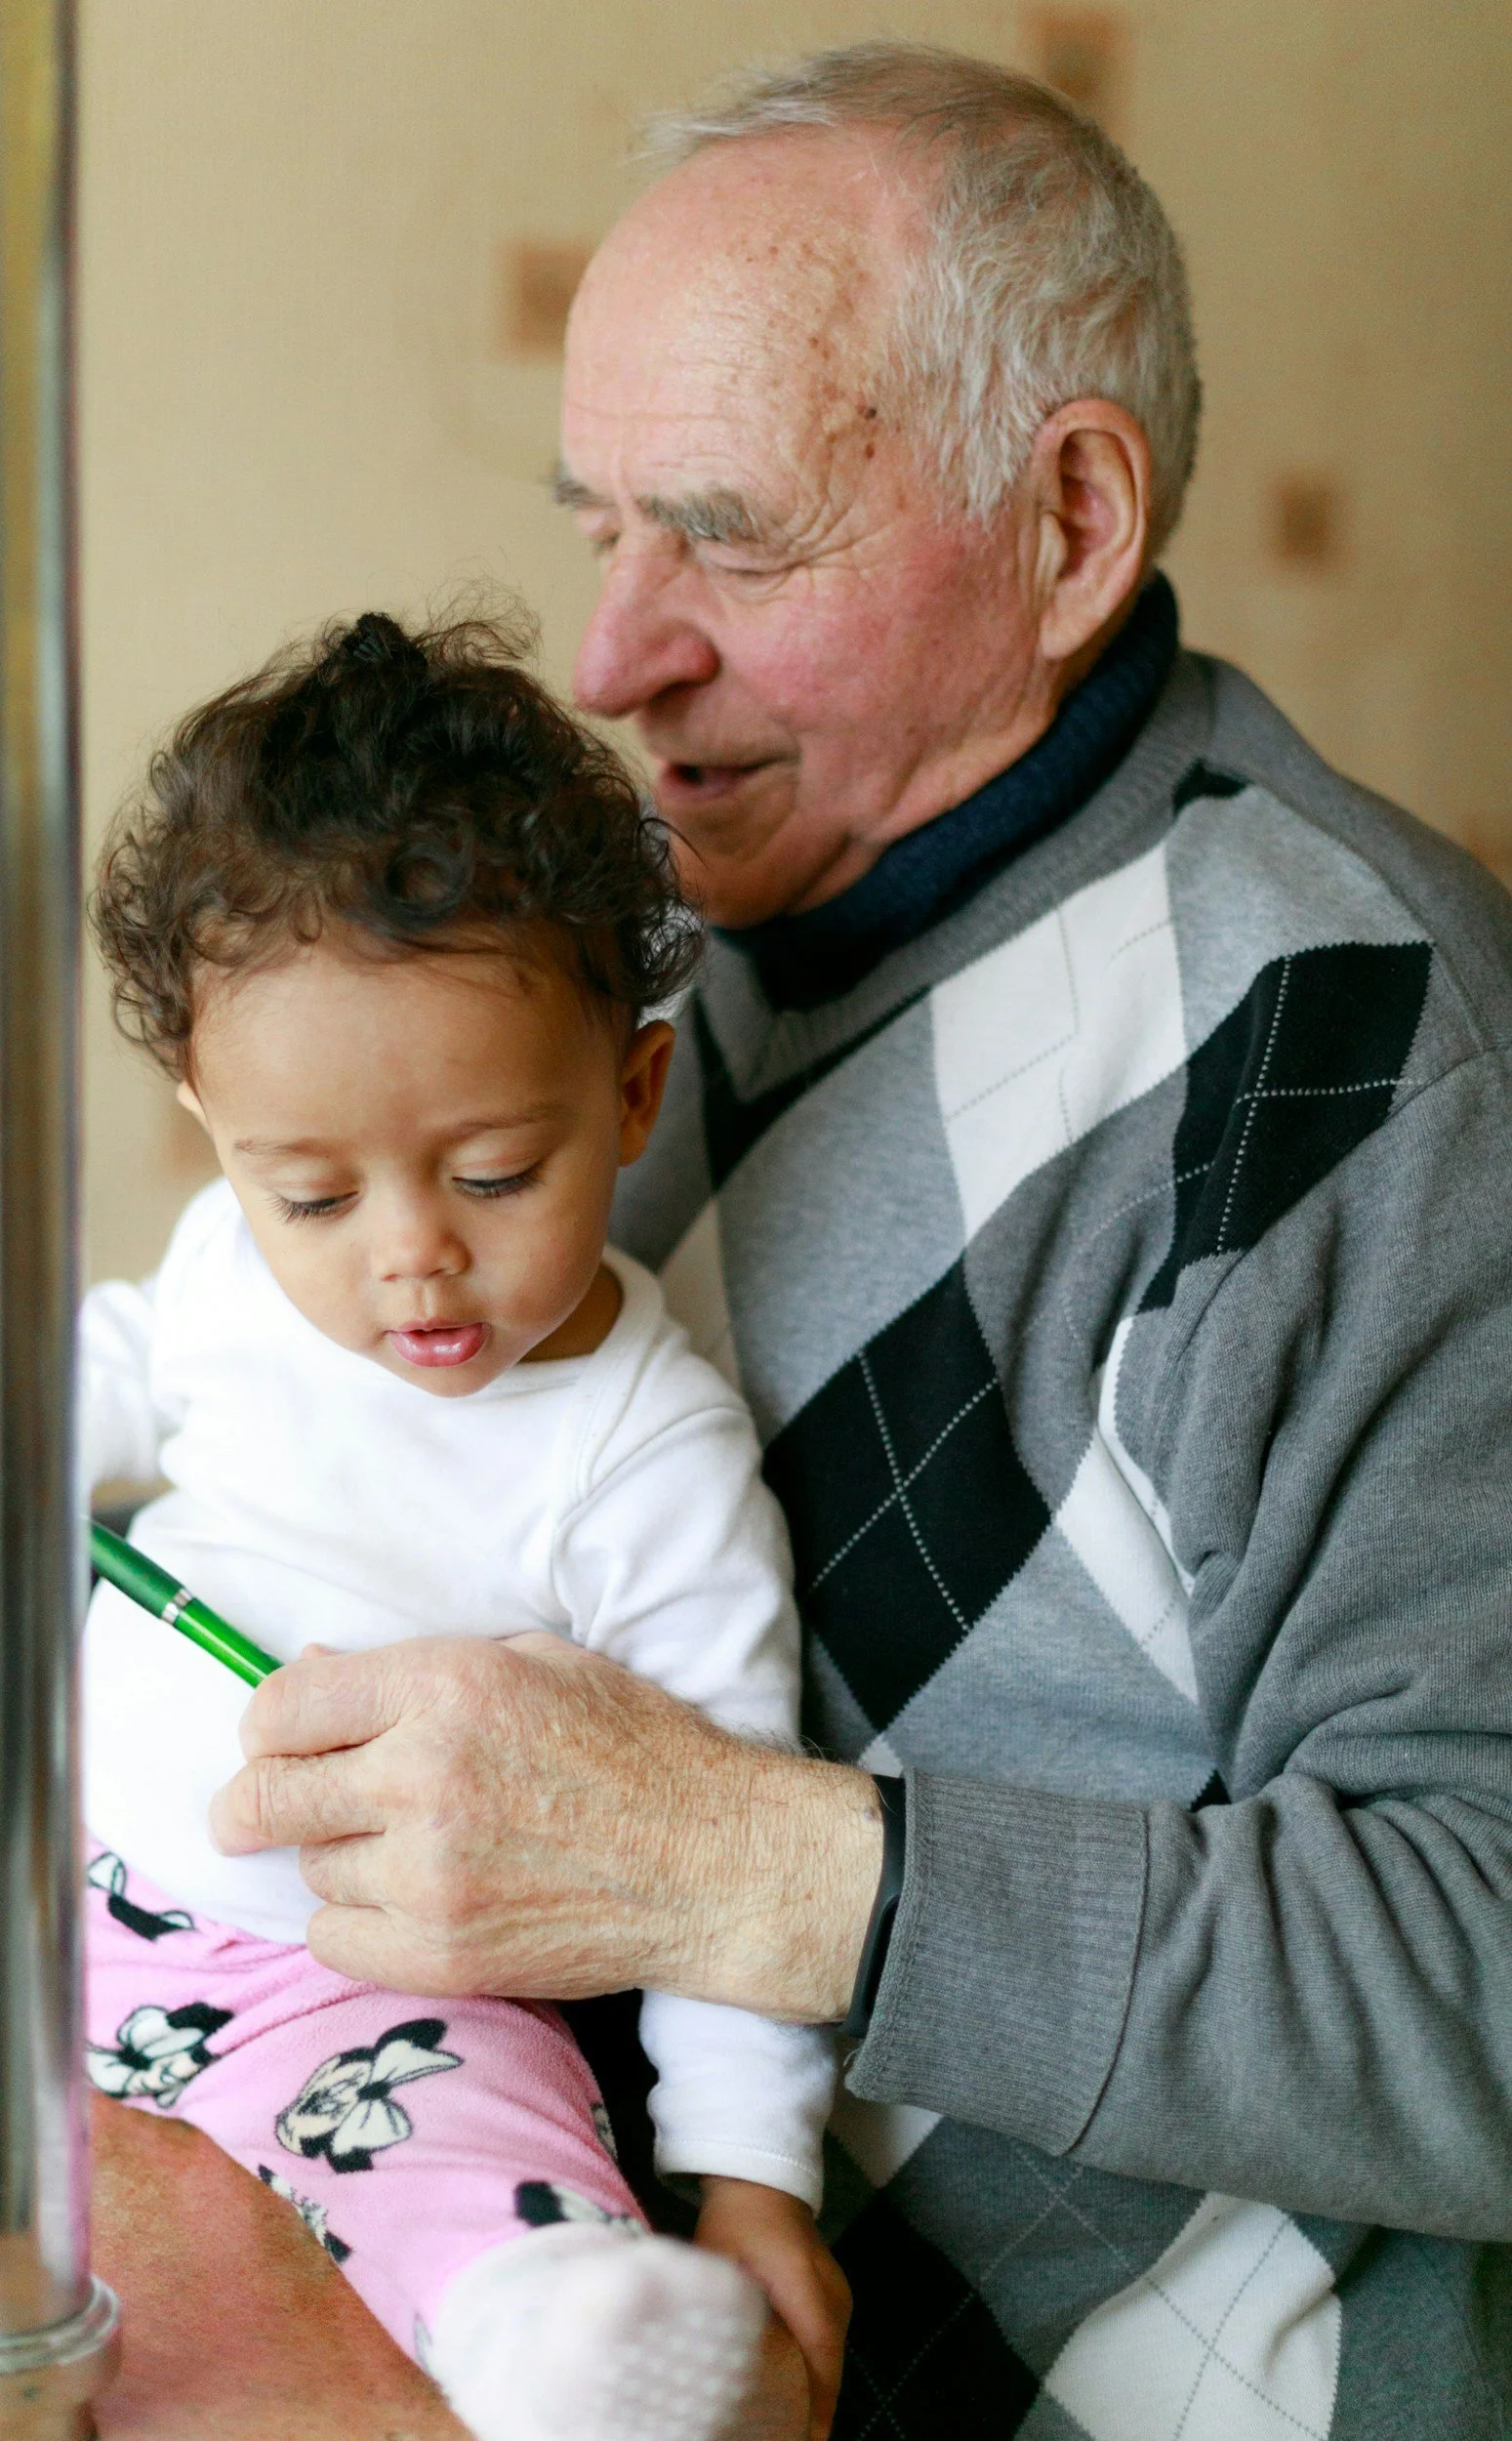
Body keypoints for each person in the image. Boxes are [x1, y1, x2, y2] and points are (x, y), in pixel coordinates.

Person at [212, 45, 1512, 2441]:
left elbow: (1487, 1968)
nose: (615, 658)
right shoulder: (646, 952)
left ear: (1072, 524)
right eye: (602, 530)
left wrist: (742, 1867)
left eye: (729, 539)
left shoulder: (1359, 1059)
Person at [79, 607, 850, 2441]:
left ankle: (554, 2335)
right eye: (312, 1194)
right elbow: (108, 1360)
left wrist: (753, 2185)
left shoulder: (644, 1454)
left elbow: (726, 1854)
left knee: (462, 2157)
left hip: (378, 1985)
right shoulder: (231, 1270)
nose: (411, 1254)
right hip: (80, 1882)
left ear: (632, 1092)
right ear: (217, 1127)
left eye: (495, 1174)